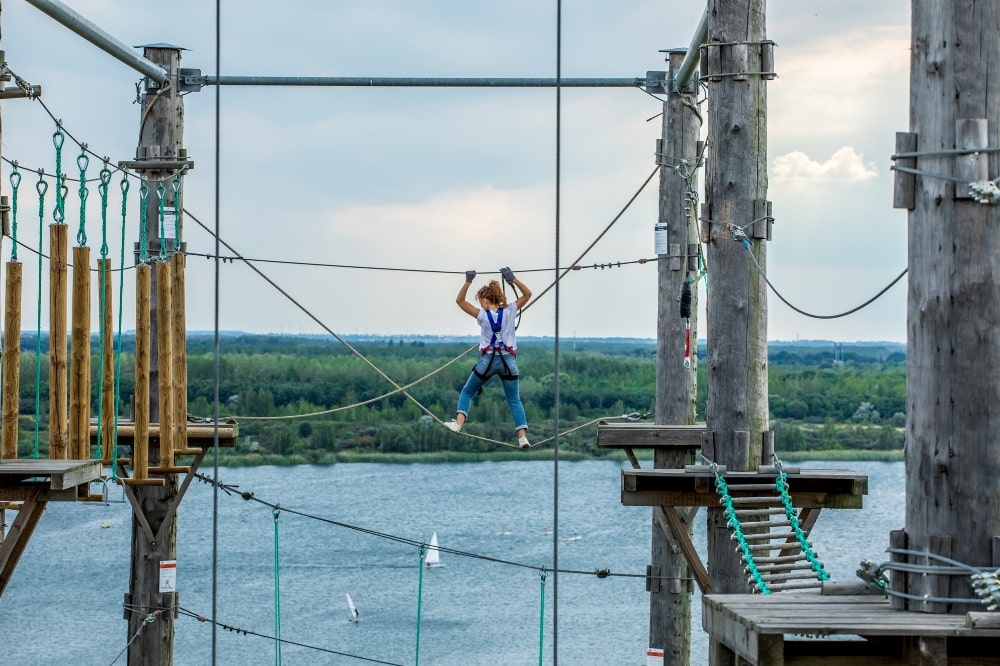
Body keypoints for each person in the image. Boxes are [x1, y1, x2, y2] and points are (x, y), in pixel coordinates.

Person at [444, 267, 533, 448]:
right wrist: (512, 279)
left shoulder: (482, 315)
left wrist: (468, 280)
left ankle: (458, 424)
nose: (480, 303)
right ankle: (522, 438)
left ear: (485, 299)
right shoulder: (509, 311)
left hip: (488, 361)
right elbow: (528, 294)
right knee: (514, 400)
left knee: (468, 391)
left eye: (481, 300)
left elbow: (459, 301)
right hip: (509, 362)